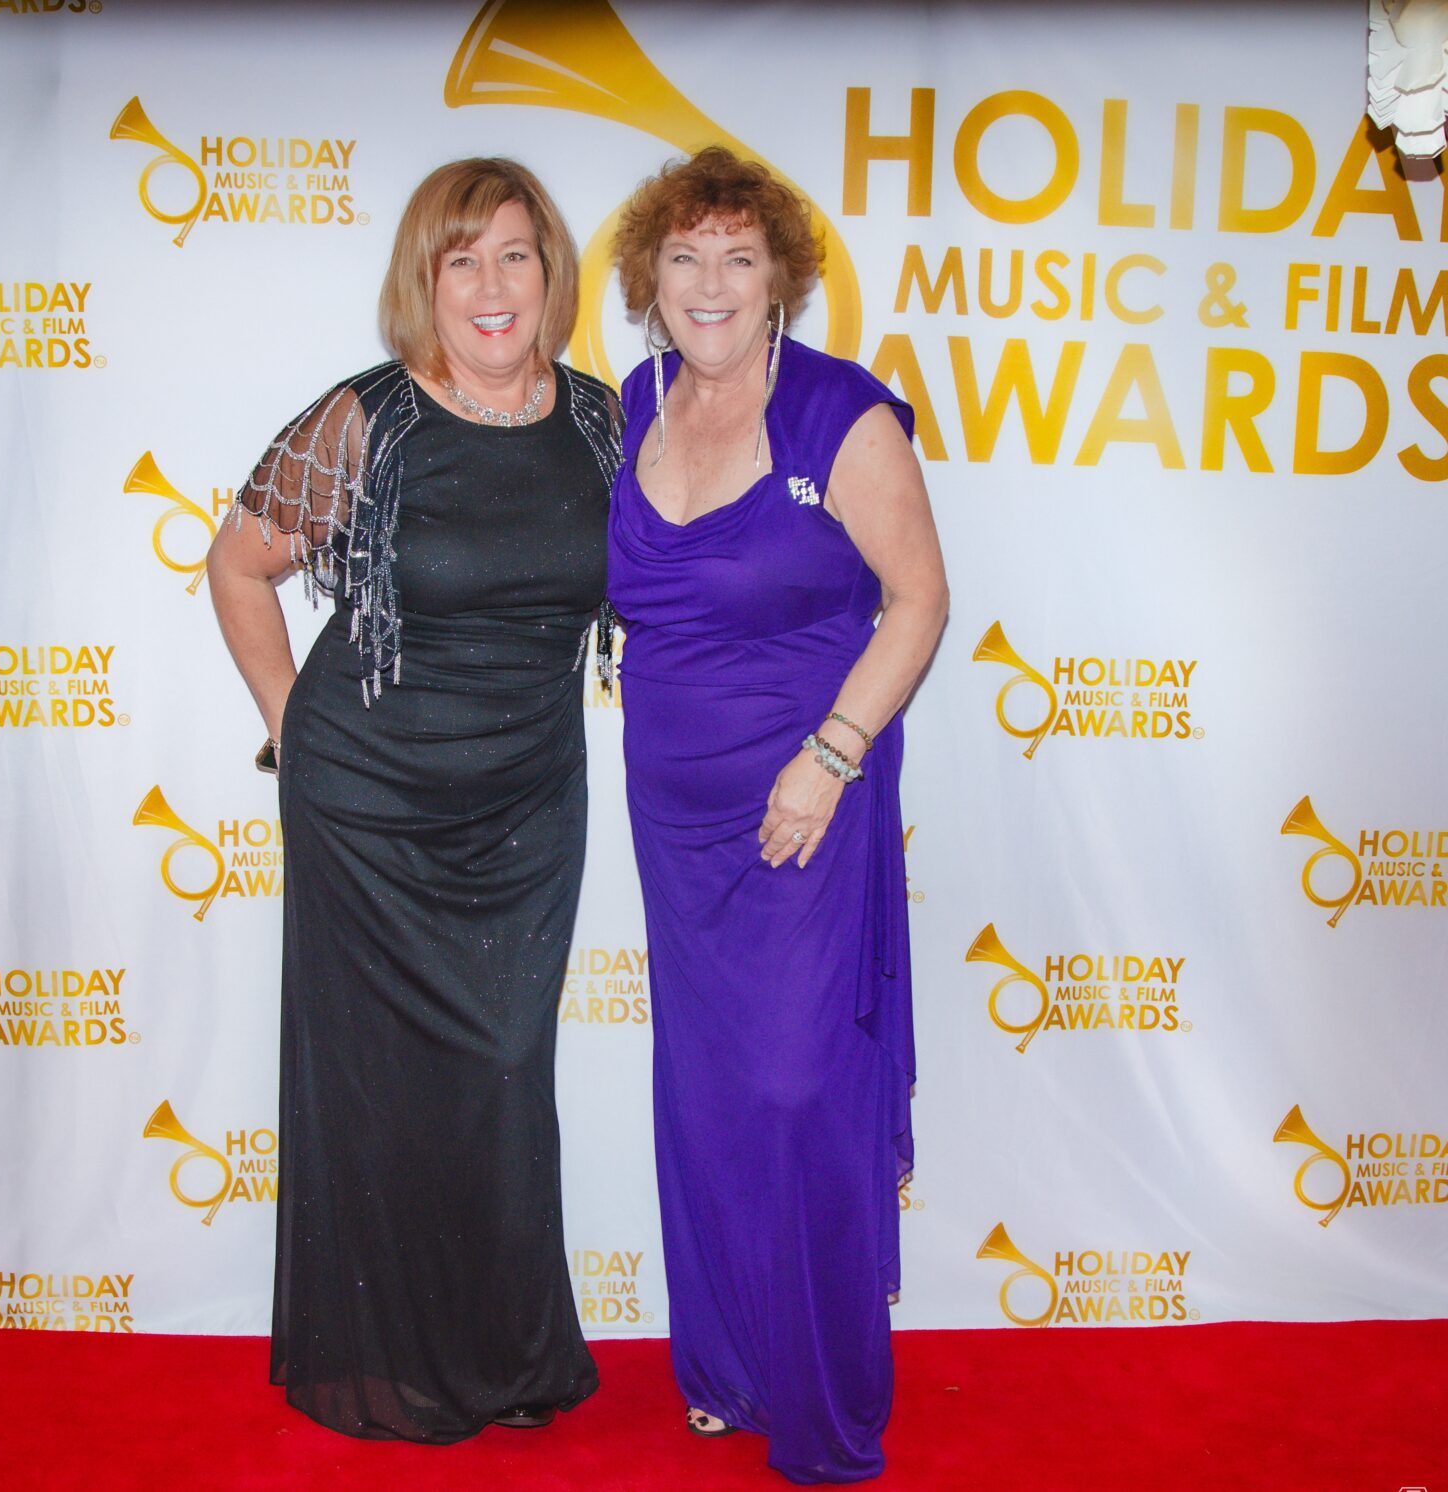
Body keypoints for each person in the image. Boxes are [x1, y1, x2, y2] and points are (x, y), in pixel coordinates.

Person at [205, 157, 619, 1443]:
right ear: (423, 283)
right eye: (461, 260)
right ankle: (398, 1363)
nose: (491, 287)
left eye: (514, 255)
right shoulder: (370, 418)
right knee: (380, 1085)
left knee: (503, 1072)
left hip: (525, 802)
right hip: (368, 809)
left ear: (550, 271)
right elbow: (238, 561)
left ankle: (504, 1349)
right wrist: (293, 730)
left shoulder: (605, 422)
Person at [607, 146, 949, 1483]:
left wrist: (832, 753)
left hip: (808, 803)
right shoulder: (630, 403)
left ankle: (821, 1388)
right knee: (705, 1094)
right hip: (673, 820)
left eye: (738, 259)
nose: (709, 283)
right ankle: (727, 1366)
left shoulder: (841, 417)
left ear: (781, 281)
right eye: (684, 257)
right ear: (647, 278)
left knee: (800, 1090)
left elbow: (918, 602)